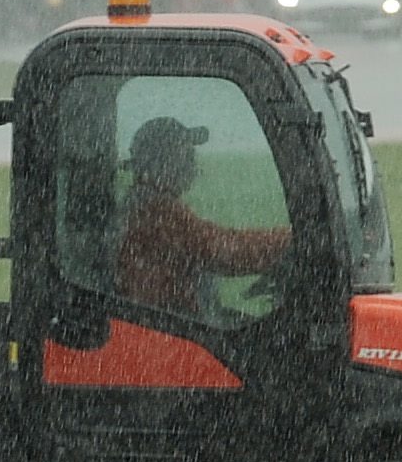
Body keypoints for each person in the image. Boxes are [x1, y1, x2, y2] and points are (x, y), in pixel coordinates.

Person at [114, 116, 290, 317]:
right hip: (170, 324)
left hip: (171, 317)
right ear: (162, 162)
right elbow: (224, 251)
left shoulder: (144, 204)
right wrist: (287, 241)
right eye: (185, 154)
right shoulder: (156, 211)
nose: (192, 161)